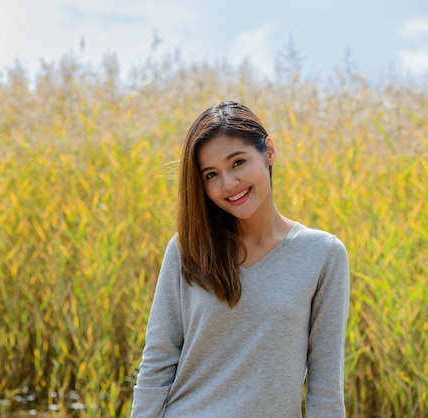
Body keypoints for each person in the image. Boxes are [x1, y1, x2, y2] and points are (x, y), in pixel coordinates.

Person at [131, 101, 350, 417]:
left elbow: (325, 387)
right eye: (211, 174)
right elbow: (158, 361)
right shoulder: (187, 248)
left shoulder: (323, 255)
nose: (228, 184)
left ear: (269, 152)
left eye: (238, 162)